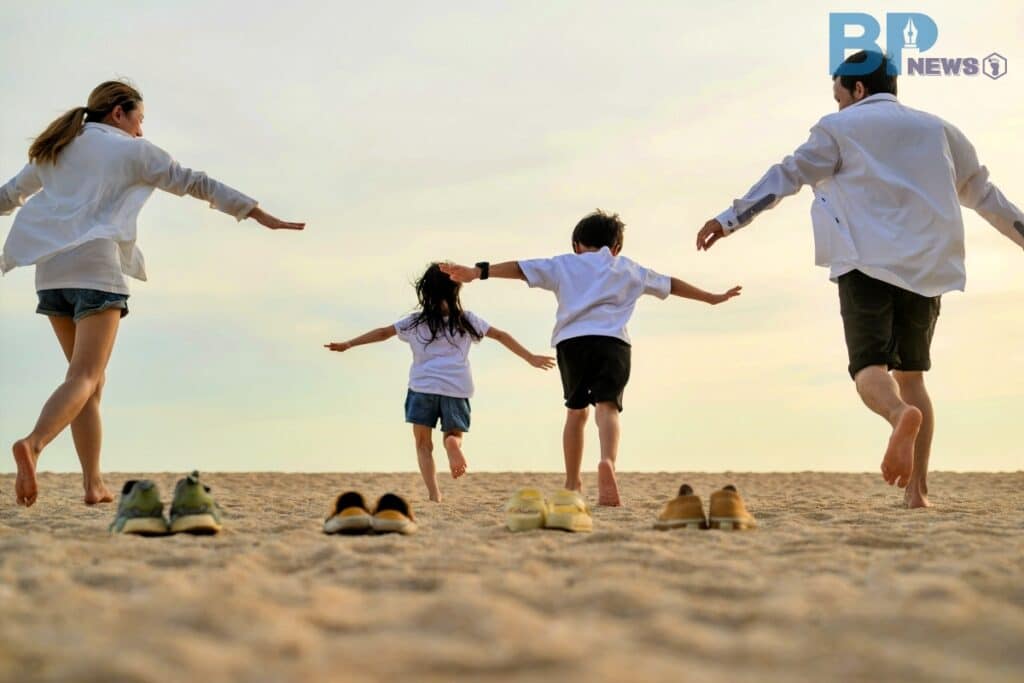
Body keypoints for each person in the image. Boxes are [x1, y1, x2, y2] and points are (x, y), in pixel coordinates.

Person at [695, 50, 1024, 508]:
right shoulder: (941, 131)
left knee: (870, 370)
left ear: (859, 89)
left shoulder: (838, 128)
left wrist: (731, 219)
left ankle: (898, 416)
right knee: (914, 377)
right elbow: (986, 196)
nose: (838, 105)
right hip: (928, 268)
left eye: (839, 96)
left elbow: (786, 177)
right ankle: (917, 493)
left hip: (865, 264)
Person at [1, 80, 305, 507]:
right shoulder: (132, 151)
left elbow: (8, 196)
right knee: (84, 377)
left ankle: (93, 484)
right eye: (139, 119)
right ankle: (33, 444)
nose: (141, 130)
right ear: (118, 113)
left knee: (87, 381)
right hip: (96, 268)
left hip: (50, 274)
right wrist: (256, 213)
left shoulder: (56, 148)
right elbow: (194, 182)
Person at [442, 210, 741, 506]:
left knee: (576, 412)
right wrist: (710, 298)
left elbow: (520, 269)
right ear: (616, 247)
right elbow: (671, 284)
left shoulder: (564, 264)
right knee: (607, 407)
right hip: (614, 344)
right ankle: (607, 461)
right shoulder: (627, 268)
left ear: (576, 245)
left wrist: (477, 272)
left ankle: (573, 482)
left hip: (572, 344)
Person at [324, 263, 554, 502]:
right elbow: (501, 335)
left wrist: (349, 344)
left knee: (423, 445)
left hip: (422, 388)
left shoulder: (414, 322)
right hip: (456, 388)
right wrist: (530, 357)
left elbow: (383, 333)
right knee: (453, 434)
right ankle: (453, 444)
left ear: (426, 291)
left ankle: (434, 494)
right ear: (456, 289)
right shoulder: (467, 320)